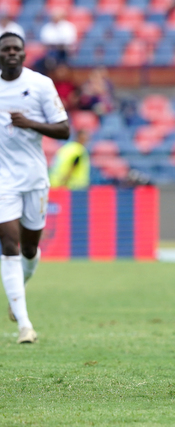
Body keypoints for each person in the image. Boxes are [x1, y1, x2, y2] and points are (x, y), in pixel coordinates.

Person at [0, 32, 70, 343]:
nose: (12, 53)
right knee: (10, 246)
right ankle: (25, 325)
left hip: (34, 177)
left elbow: (64, 129)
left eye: (17, 49)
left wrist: (30, 123)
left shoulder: (40, 84)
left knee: (29, 248)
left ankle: (19, 290)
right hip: (3, 179)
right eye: (6, 49)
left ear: (24, 54)